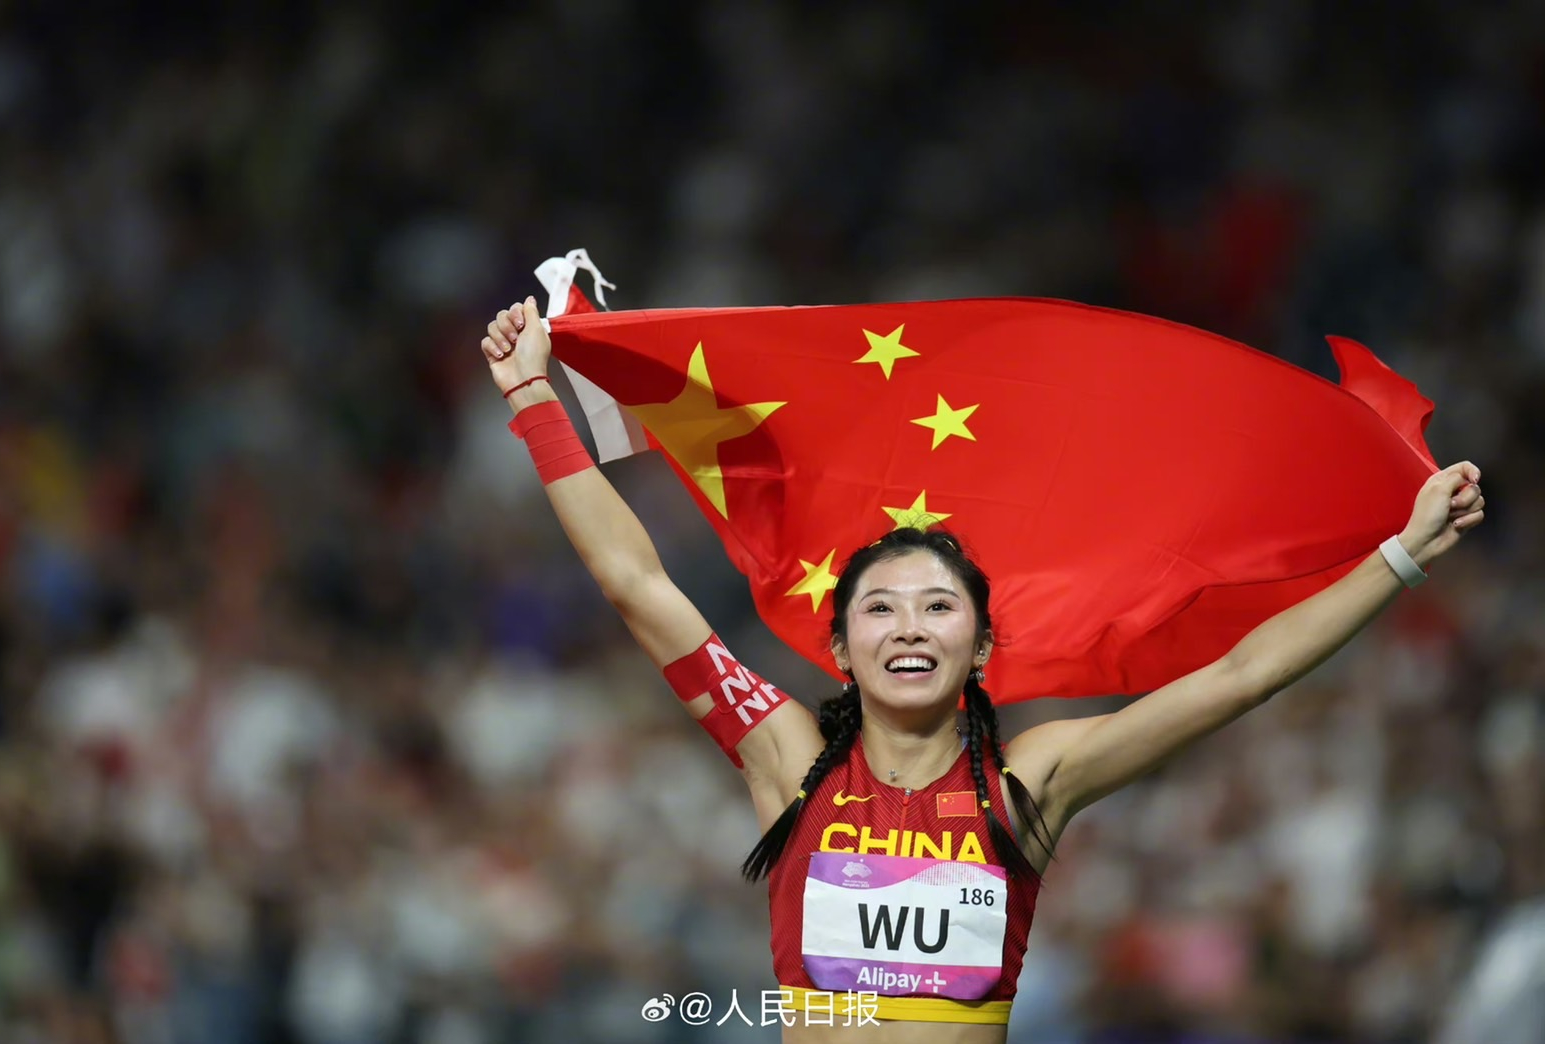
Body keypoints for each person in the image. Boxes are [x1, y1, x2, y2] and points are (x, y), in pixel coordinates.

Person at [481, 296, 1485, 1042]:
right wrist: (532, 397)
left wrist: (1400, 556)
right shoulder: (788, 761)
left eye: (938, 607)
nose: (908, 628)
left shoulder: (1028, 785)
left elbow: (1241, 677)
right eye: (879, 608)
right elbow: (635, 583)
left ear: (982, 647)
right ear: (841, 649)